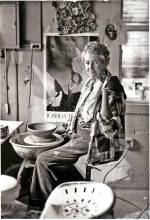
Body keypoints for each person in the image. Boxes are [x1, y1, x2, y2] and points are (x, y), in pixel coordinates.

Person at [30, 41, 126, 208]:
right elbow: (81, 111)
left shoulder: (111, 86)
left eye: (95, 62)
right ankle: (75, 190)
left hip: (93, 140)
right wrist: (67, 128)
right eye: (87, 62)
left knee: (43, 160)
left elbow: (111, 129)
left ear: (104, 62)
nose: (90, 67)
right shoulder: (90, 83)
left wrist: (106, 109)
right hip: (77, 134)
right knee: (42, 150)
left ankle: (48, 206)